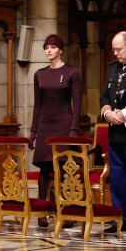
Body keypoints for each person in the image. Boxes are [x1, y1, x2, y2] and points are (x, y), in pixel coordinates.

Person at [28, 34, 82, 228]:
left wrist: (74, 130)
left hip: (64, 125)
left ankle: (69, 211)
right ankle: (42, 212)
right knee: (44, 169)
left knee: (65, 169)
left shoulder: (72, 72)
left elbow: (77, 104)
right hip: (45, 126)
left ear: (61, 50)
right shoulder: (39, 74)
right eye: (46, 47)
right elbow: (37, 105)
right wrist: (33, 131)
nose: (48, 50)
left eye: (52, 47)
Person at [100, 31, 126, 233]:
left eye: (119, 49)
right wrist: (108, 113)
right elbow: (104, 95)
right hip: (115, 134)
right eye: (114, 50)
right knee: (117, 179)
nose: (116, 53)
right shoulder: (112, 69)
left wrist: (124, 115)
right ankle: (119, 218)